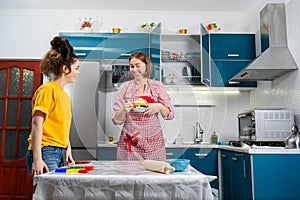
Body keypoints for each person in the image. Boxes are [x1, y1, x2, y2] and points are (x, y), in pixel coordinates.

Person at [26, 36, 79, 177]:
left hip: (58, 152)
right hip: (45, 151)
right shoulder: (47, 90)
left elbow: (61, 125)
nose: (78, 72)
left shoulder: (64, 94)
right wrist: (37, 159)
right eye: (76, 68)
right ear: (65, 68)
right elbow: (37, 124)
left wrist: (67, 148)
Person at [112, 51, 174, 161]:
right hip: (131, 144)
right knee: (129, 176)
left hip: (153, 144)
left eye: (138, 65)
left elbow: (170, 114)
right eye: (131, 66)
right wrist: (123, 110)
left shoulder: (157, 86)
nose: (134, 69)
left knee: (152, 176)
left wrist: (159, 106)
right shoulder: (124, 87)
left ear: (147, 66)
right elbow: (116, 120)